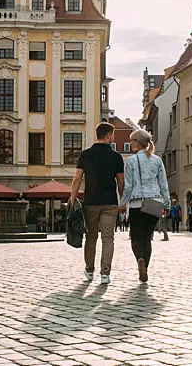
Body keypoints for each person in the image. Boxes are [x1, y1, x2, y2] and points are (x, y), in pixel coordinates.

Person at [69, 122, 124, 285]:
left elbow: (77, 178)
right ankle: (105, 274)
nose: (113, 138)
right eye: (112, 135)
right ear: (108, 136)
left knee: (91, 237)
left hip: (90, 202)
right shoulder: (116, 156)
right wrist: (123, 200)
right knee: (108, 239)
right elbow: (121, 182)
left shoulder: (85, 155)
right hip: (109, 203)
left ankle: (89, 270)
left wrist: (72, 199)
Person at [120, 129, 170, 283]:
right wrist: (166, 202)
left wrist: (122, 204)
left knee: (136, 238)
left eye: (132, 141)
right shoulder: (157, 160)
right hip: (155, 202)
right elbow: (163, 184)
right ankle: (145, 269)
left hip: (137, 202)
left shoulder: (131, 161)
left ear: (138, 142)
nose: (130, 143)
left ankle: (140, 261)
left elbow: (128, 186)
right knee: (147, 238)